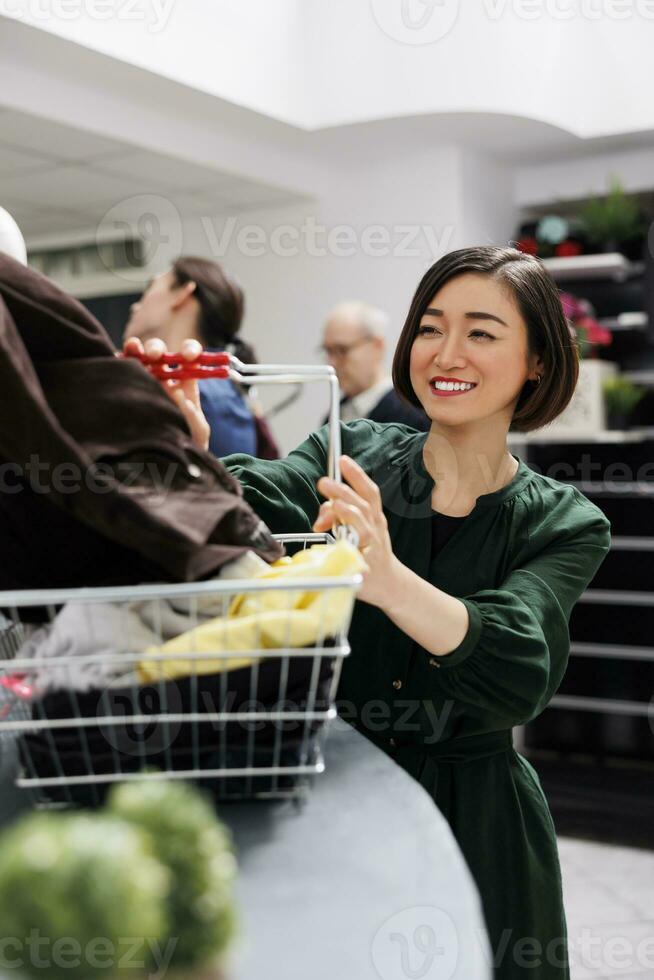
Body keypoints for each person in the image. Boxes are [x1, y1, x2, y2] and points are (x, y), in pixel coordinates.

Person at [131, 246, 611, 980]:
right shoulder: (351, 452)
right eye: (431, 327)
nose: (446, 353)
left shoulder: (564, 522)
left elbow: (519, 663)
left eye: (481, 333)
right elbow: (252, 506)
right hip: (341, 795)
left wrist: (385, 579)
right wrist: (186, 448)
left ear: (538, 360)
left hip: (482, 820)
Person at [125, 256, 279, 458]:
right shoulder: (227, 390)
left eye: (150, 288)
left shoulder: (193, 394)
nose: (135, 306)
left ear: (182, 294)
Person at [320, 300, 430, 429]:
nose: (331, 362)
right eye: (328, 351)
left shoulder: (410, 415)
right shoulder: (334, 416)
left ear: (377, 347)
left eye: (341, 350)